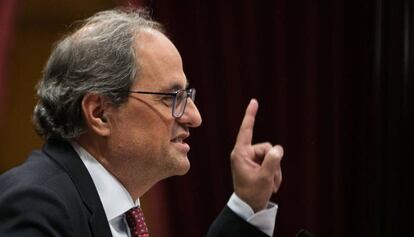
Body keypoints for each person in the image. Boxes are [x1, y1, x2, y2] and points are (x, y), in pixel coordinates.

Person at [0, 8, 284, 237]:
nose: (195, 117)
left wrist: (248, 204)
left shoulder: (116, 209)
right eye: (172, 96)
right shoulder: (36, 206)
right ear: (99, 113)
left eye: (187, 95)